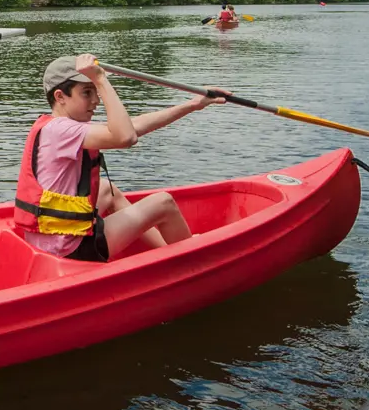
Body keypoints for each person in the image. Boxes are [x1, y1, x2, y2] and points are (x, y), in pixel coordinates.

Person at [15, 55, 222, 261]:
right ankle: (193, 260)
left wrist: (192, 105)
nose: (95, 100)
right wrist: (101, 80)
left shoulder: (58, 126)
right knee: (164, 202)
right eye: (87, 93)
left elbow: (134, 126)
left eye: (95, 92)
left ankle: (167, 249)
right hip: (67, 248)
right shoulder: (62, 131)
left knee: (107, 190)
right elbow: (126, 136)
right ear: (60, 97)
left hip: (48, 240)